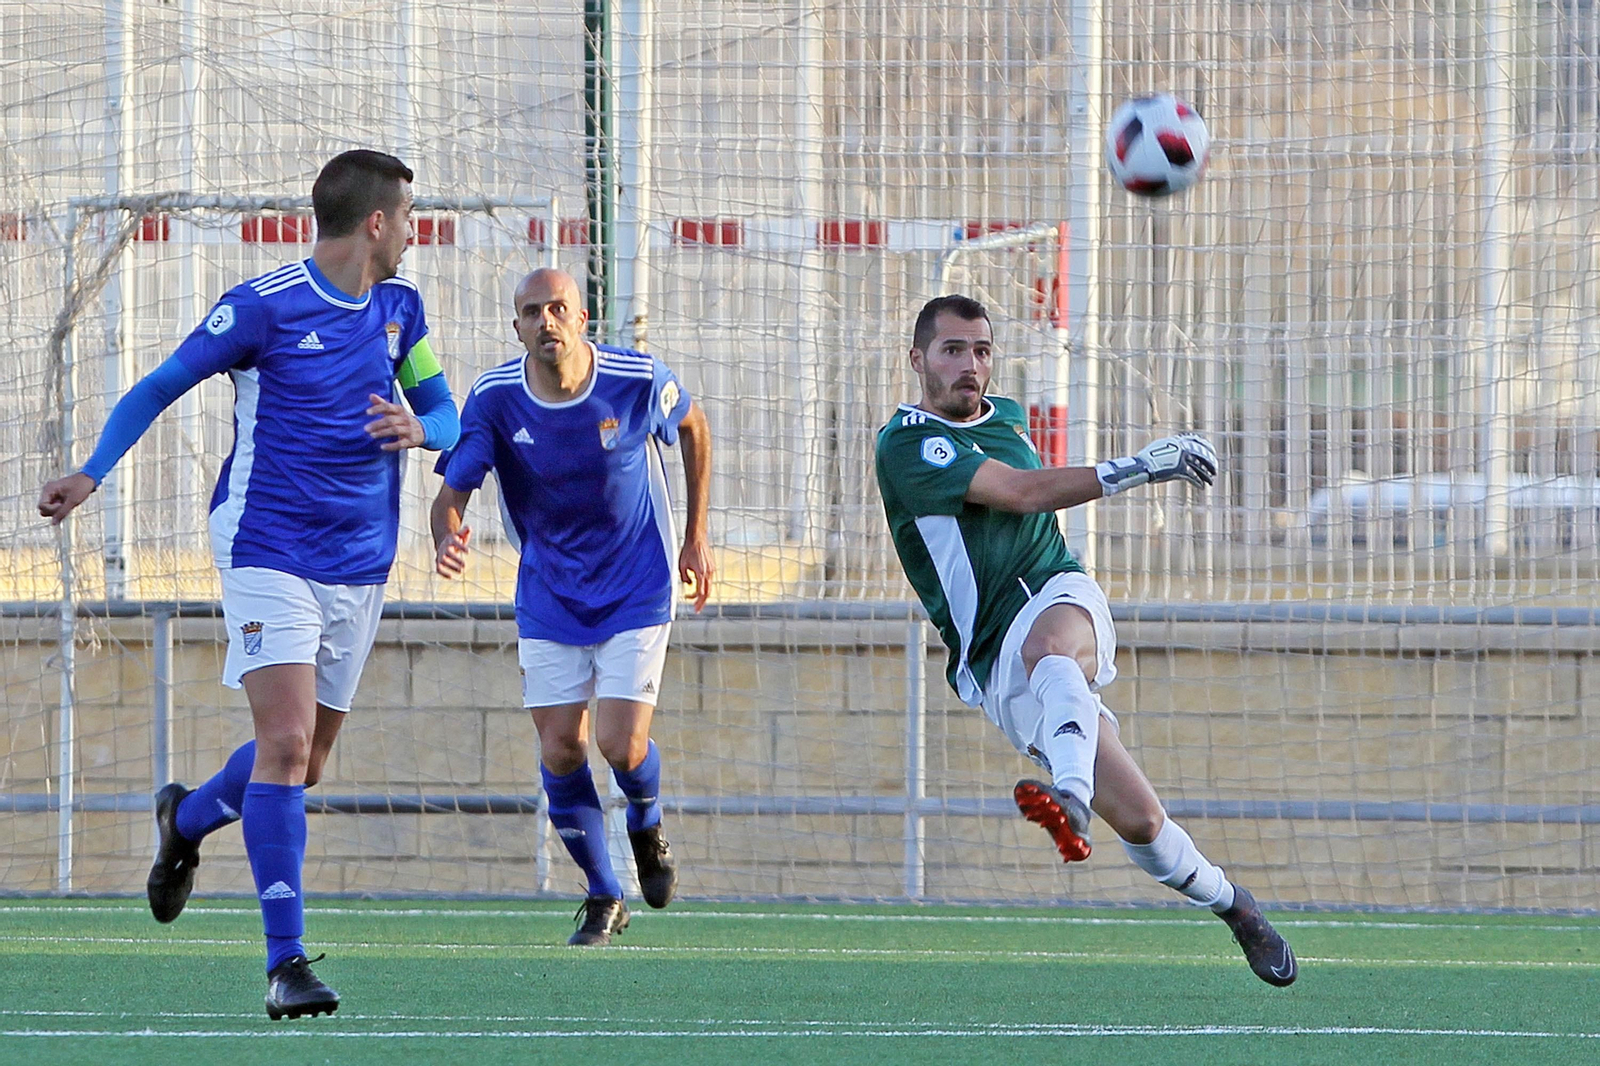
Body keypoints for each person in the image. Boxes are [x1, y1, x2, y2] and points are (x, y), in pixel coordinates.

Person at [37, 150, 461, 1018]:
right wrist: (91, 472)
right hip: (266, 546)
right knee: (286, 743)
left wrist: (422, 430)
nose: (414, 235)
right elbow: (161, 384)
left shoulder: (401, 310)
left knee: (305, 764)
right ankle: (285, 964)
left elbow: (447, 413)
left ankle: (187, 820)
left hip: (361, 560)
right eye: (410, 218)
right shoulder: (263, 307)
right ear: (376, 222)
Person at [873, 294, 1297, 987]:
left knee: (1050, 649)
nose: (970, 364)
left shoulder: (1006, 415)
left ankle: (1068, 796)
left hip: (1058, 593)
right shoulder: (906, 444)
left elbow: (1030, 505)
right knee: (1143, 823)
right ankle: (1235, 905)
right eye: (952, 350)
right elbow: (1021, 492)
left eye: (981, 350)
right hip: (992, 660)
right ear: (917, 359)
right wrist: (1139, 467)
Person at [431, 266, 713, 946]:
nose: (546, 321)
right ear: (517, 327)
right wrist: (447, 533)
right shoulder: (495, 398)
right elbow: (452, 494)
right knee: (561, 749)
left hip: (636, 584)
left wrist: (697, 537)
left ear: (583, 318)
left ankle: (645, 818)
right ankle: (603, 892)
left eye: (558, 308)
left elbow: (695, 428)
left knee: (620, 743)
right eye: (532, 312)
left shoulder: (635, 379)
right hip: (550, 592)